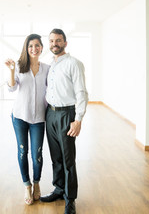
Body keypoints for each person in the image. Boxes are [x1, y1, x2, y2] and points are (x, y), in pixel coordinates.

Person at [40, 29, 88, 214]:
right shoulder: (51, 65)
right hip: (50, 114)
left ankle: (70, 199)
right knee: (56, 158)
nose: (54, 44)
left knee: (68, 160)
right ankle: (59, 189)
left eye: (58, 40)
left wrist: (78, 119)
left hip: (67, 115)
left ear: (65, 43)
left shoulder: (74, 64)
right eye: (51, 41)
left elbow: (81, 92)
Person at [5, 34, 50, 205]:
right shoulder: (19, 67)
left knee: (37, 154)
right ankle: (27, 185)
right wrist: (11, 71)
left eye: (37, 45)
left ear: (41, 47)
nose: (34, 49)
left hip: (39, 117)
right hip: (20, 117)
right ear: (26, 48)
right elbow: (12, 88)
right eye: (31, 46)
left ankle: (37, 183)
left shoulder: (46, 68)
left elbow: (51, 89)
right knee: (23, 152)